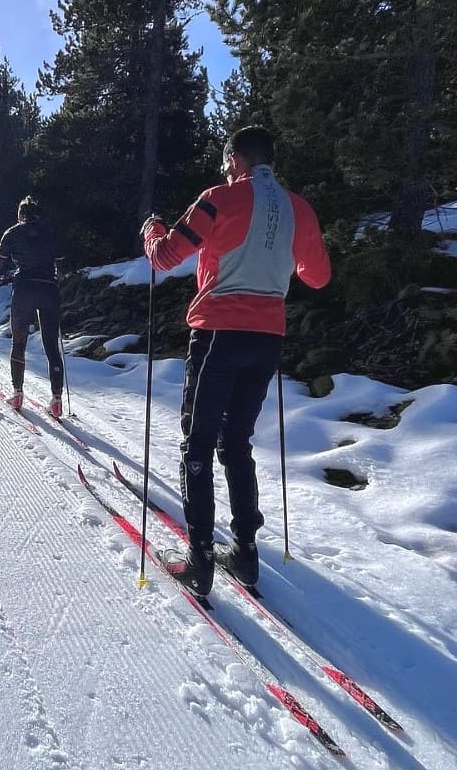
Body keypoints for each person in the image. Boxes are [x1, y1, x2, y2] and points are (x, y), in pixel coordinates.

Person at [141, 126, 331, 595]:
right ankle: (245, 552)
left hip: (218, 333)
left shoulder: (218, 198)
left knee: (197, 443)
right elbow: (318, 276)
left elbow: (166, 256)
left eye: (227, 161)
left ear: (235, 158)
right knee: (236, 441)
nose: (225, 168)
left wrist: (151, 232)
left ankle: (199, 560)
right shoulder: (298, 208)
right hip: (267, 338)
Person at [0, 195, 65, 417]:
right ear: (37, 214)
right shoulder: (50, 232)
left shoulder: (12, 233)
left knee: (19, 341)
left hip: (24, 290)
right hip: (49, 289)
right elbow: (61, 268)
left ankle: (17, 394)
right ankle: (57, 399)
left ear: (20, 214)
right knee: (51, 345)